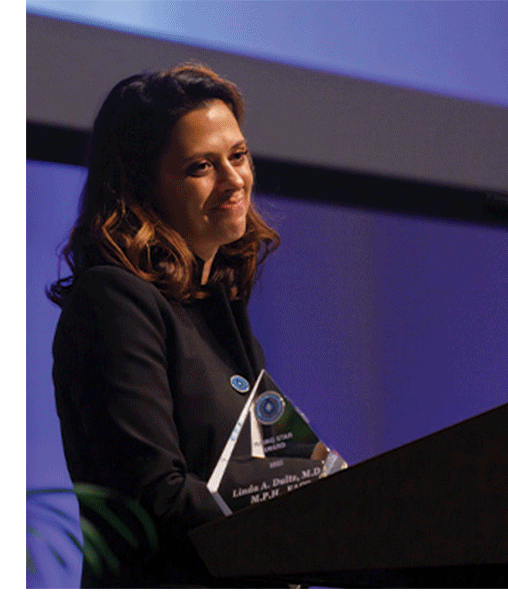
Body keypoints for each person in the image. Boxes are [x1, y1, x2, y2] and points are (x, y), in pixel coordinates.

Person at [49, 64, 328, 587]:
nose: (233, 181)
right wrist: (300, 527)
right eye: (202, 166)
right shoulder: (113, 302)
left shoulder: (219, 309)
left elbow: (266, 471)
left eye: (238, 156)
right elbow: (154, 494)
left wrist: (334, 497)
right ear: (139, 186)